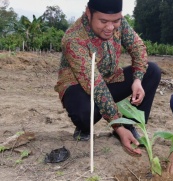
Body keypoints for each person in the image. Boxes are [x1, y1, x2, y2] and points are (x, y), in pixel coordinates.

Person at [54, 0, 161, 156]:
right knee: (86, 113)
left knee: (152, 71)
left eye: (116, 21)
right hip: (78, 86)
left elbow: (138, 47)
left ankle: (130, 124)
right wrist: (118, 126)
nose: (110, 27)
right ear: (89, 13)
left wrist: (137, 79)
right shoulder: (74, 39)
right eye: (103, 21)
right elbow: (96, 85)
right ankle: (87, 127)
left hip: (109, 79)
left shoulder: (118, 23)